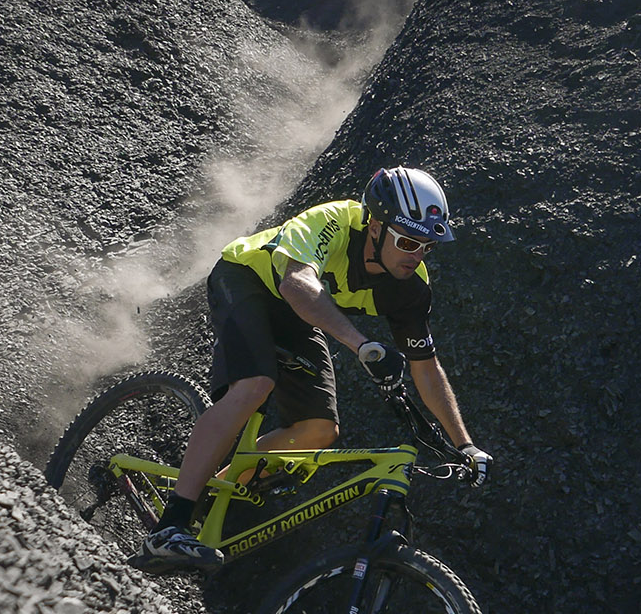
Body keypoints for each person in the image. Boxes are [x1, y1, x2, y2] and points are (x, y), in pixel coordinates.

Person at [139, 166, 492, 570]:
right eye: (409, 241)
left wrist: (464, 445)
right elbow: (295, 285)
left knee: (319, 430)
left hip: (299, 316)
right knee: (255, 384)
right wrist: (362, 345)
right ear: (375, 226)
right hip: (247, 279)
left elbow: (426, 369)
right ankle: (169, 526)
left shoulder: (410, 288)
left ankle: (205, 493)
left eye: (428, 246)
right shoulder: (333, 222)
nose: (417, 255)